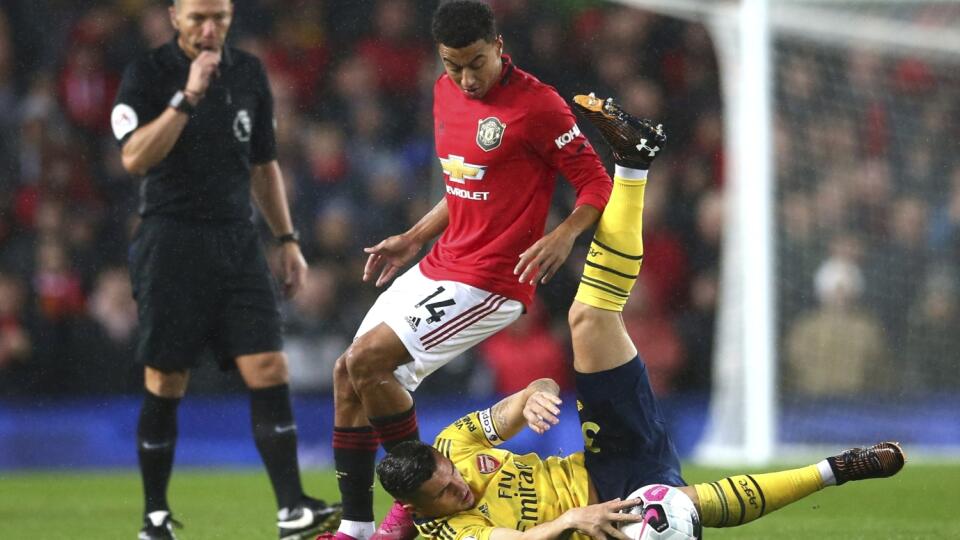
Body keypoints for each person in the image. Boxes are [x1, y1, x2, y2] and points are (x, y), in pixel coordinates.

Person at [373, 93, 907, 540]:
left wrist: (535, 393)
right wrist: (568, 521)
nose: (459, 487)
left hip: (605, 459)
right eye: (445, 494)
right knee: (664, 509)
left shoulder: (453, 448)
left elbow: (510, 410)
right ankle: (836, 469)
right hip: (601, 524)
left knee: (589, 317)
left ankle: (633, 161)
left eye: (450, 478)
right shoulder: (445, 531)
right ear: (420, 511)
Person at [329, 2, 614, 539]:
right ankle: (354, 529)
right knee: (348, 374)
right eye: (452, 64)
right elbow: (465, 186)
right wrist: (415, 237)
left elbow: (597, 182)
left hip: (492, 279)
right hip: (442, 260)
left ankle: (409, 513)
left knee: (368, 360)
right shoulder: (443, 93)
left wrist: (563, 233)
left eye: (476, 62)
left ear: (499, 46)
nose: (465, 77)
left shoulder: (538, 105)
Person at [111, 1, 339, 538]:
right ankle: (155, 516)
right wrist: (187, 96)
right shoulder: (147, 74)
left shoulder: (249, 72)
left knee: (269, 368)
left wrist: (287, 239)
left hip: (237, 242)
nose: (210, 29)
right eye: (198, 18)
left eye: (220, 17)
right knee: (167, 379)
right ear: (174, 17)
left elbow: (263, 164)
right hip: (171, 242)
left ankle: (291, 509)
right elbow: (135, 157)